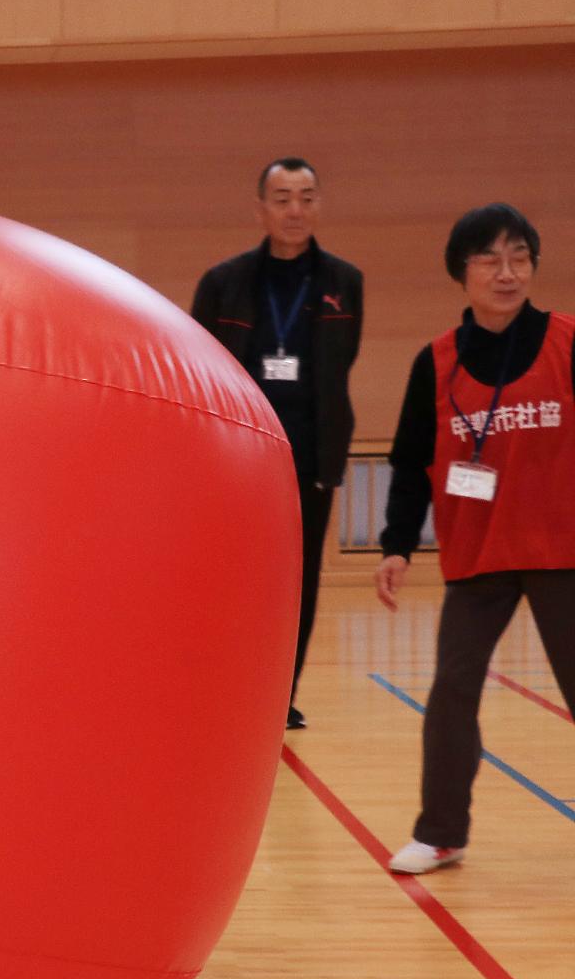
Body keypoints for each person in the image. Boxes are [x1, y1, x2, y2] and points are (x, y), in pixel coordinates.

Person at [376, 204, 575, 874]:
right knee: (453, 688)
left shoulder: (567, 343)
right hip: (479, 554)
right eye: (490, 258)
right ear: (461, 272)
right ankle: (440, 832)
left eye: (520, 256)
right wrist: (397, 544)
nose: (507, 271)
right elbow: (409, 461)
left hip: (563, 551)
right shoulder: (433, 363)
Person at [192, 157, 364, 729]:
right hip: (241, 461)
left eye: (307, 197)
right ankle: (230, 687)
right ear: (261, 208)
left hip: (312, 456)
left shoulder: (344, 282)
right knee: (239, 578)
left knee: (300, 578)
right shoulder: (224, 283)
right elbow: (201, 369)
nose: (296, 210)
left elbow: (341, 368)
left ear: (320, 205)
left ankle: (280, 697)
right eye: (284, 197)